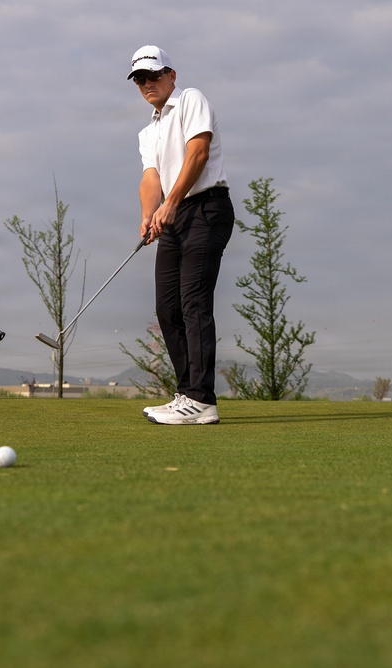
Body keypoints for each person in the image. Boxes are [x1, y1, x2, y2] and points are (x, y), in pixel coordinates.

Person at [128, 45, 234, 425]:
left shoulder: (191, 99)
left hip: (206, 208)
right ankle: (187, 392)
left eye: (153, 75)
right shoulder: (148, 131)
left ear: (171, 74)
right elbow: (150, 177)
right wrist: (149, 214)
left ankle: (203, 401)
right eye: (139, 79)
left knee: (193, 304)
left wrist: (170, 202)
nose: (146, 84)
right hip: (173, 216)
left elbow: (198, 153)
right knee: (167, 308)